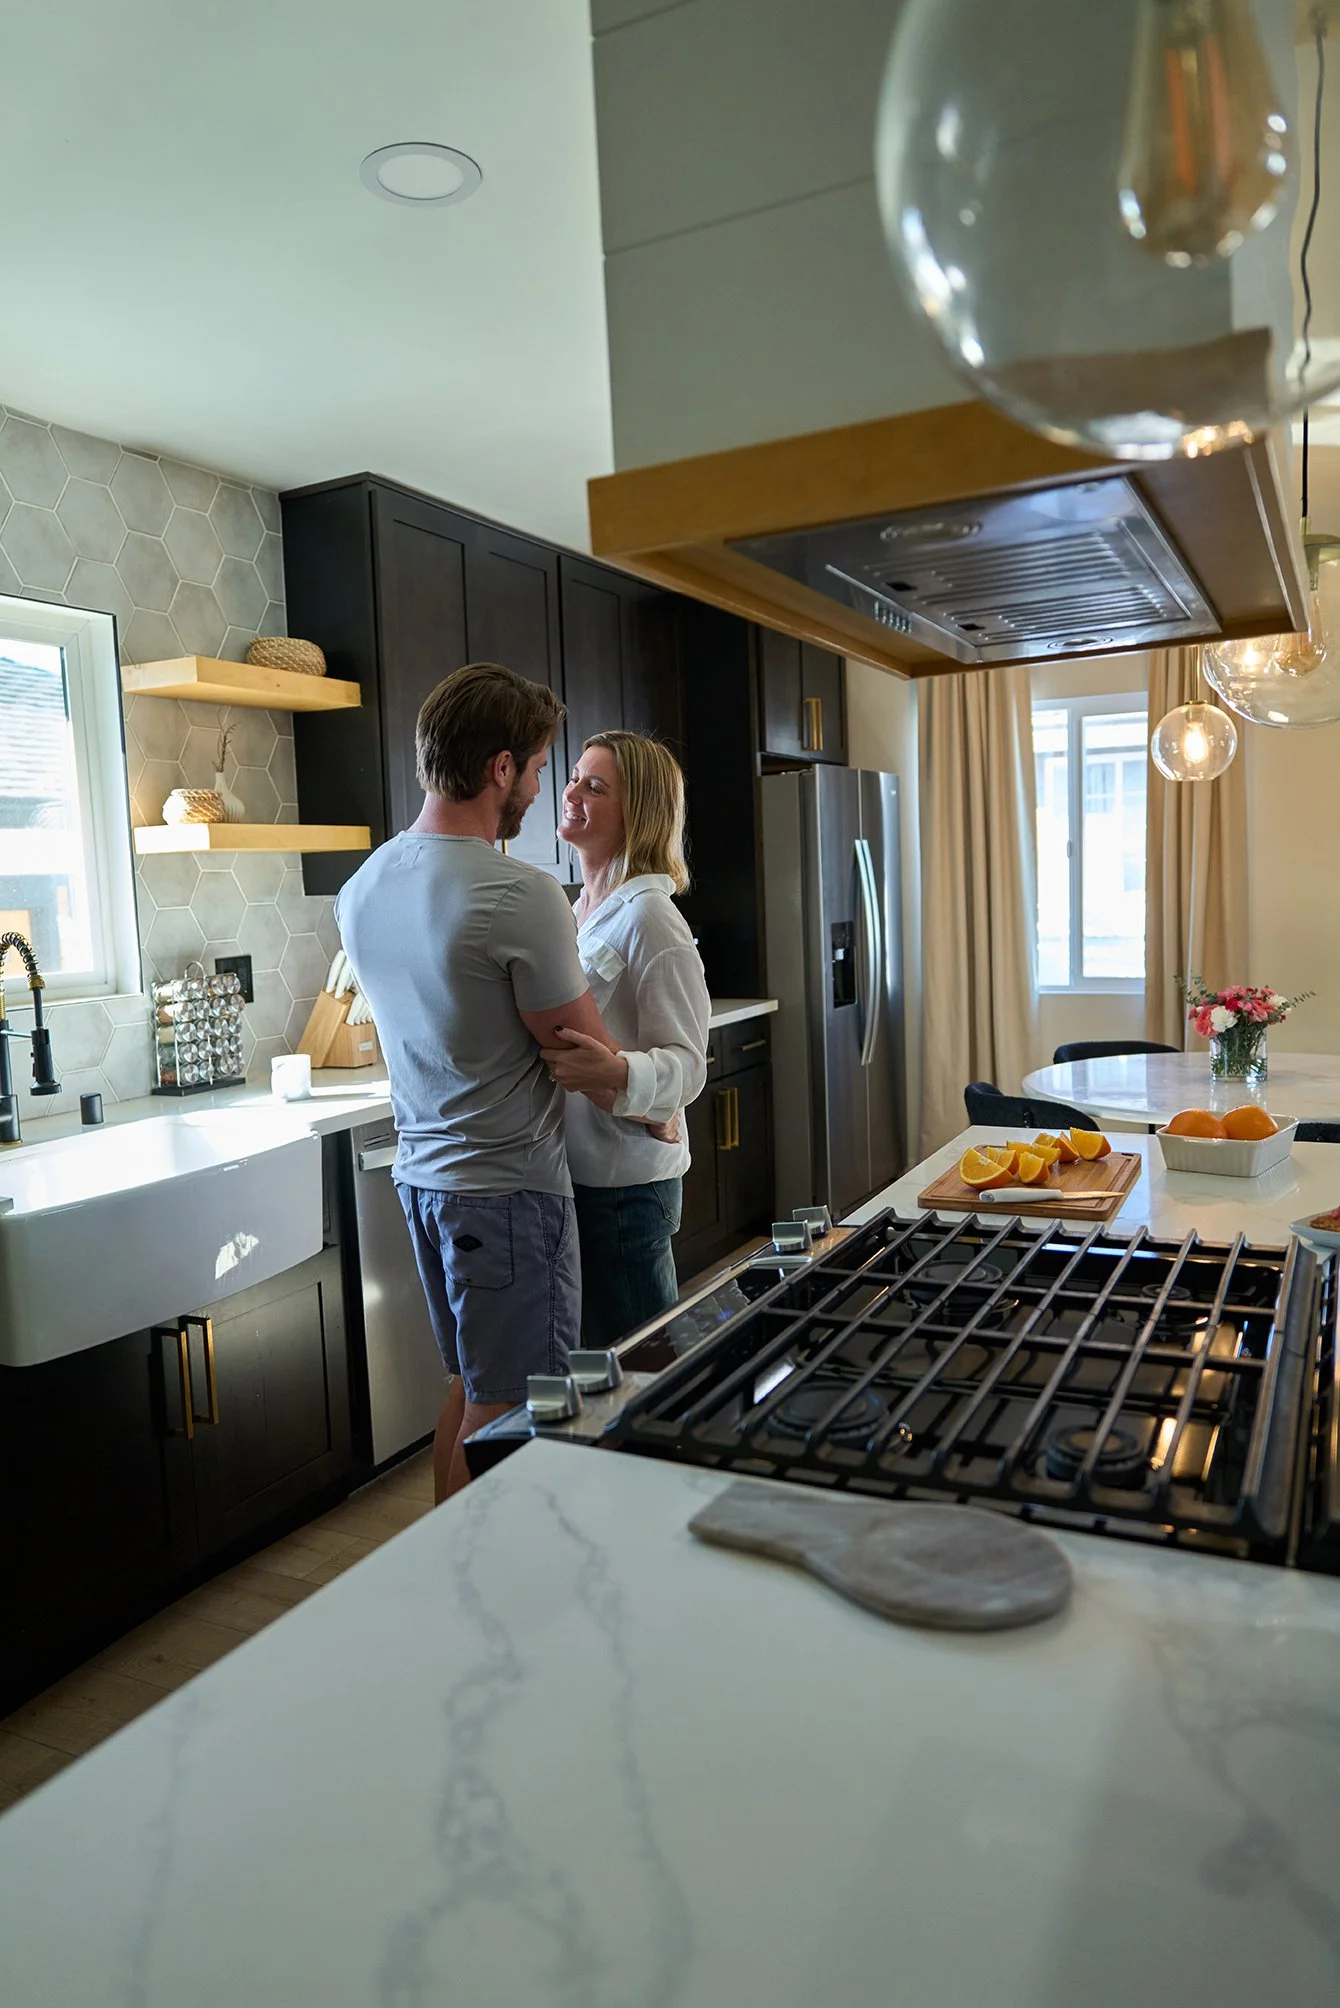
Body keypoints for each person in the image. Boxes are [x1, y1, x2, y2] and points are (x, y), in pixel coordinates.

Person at [334, 662, 618, 1503]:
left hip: (422, 1181)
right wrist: (657, 1103)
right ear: (500, 767)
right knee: (512, 1411)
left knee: (469, 1389)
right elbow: (585, 1050)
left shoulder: (364, 885)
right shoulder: (517, 891)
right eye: (536, 767)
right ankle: (483, 1591)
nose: (541, 786)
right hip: (505, 1193)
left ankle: (448, 1575)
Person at [542, 732, 711, 1344]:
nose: (572, 792)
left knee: (641, 1371)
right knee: (598, 1369)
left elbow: (689, 1063)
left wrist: (621, 1078)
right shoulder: (579, 911)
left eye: (595, 785)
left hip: (626, 1191)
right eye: (574, 777)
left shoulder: (651, 918)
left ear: (636, 811)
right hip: (575, 1178)